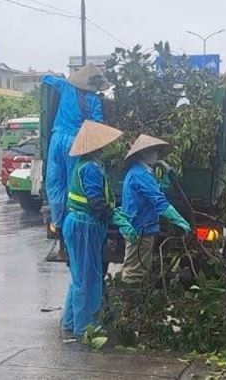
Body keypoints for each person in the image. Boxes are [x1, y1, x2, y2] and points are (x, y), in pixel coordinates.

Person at [61, 120, 136, 337]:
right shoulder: (91, 168)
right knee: (89, 279)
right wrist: (117, 219)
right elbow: (96, 204)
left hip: (78, 224)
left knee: (79, 277)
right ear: (96, 147)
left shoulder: (82, 165)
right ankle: (85, 329)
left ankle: (69, 322)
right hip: (85, 227)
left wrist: (115, 211)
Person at [43, 64, 110, 235]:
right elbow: (97, 124)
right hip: (76, 142)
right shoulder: (94, 100)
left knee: (54, 183)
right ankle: (69, 224)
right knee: (72, 184)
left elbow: (46, 79)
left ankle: (57, 222)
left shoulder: (65, 87)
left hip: (57, 139)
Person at [121, 135, 191, 285]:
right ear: (143, 154)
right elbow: (159, 203)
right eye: (153, 151)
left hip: (140, 229)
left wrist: (165, 183)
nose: (156, 155)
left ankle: (134, 303)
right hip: (139, 230)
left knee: (140, 272)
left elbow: (152, 195)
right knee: (134, 274)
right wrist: (180, 221)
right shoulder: (140, 175)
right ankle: (128, 303)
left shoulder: (141, 173)